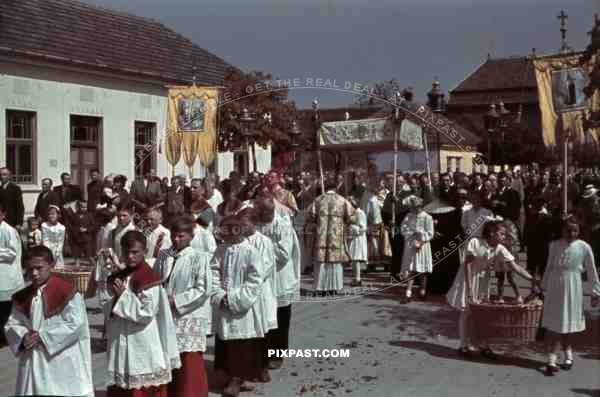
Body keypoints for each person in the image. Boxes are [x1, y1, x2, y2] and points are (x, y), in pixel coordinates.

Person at [4, 245, 93, 397]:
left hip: (60, 360)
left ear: (51, 266)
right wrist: (23, 336)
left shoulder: (68, 291)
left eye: (39, 268)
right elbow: (12, 323)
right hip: (32, 358)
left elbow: (76, 324)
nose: (34, 273)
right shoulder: (22, 296)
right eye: (30, 269)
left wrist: (43, 337)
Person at [105, 230, 180, 397]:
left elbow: (147, 312)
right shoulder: (124, 274)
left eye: (135, 252)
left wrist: (122, 296)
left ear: (145, 252)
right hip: (123, 334)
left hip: (142, 337)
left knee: (141, 382)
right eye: (126, 252)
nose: (130, 256)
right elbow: (111, 305)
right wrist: (115, 298)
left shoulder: (148, 277)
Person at [446, 221, 535, 358]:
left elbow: (515, 267)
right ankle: (463, 346)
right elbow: (468, 266)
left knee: (482, 314)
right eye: (502, 233)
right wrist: (469, 290)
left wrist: (533, 279)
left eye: (505, 234)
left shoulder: (500, 248)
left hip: (482, 281)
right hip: (467, 278)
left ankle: (483, 346)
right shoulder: (475, 242)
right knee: (466, 312)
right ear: (492, 233)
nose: (504, 236)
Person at [154, 217, 212, 397]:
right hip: (165, 313)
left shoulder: (199, 257)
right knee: (168, 355)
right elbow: (155, 280)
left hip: (188, 315)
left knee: (188, 358)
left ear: (191, 236)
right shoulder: (164, 255)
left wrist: (176, 301)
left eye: (181, 236)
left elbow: (203, 289)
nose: (176, 240)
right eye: (173, 236)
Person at [210, 215, 266, 396]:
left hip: (243, 306)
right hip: (223, 301)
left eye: (225, 234)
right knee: (225, 339)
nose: (222, 238)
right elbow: (213, 272)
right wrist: (219, 295)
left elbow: (255, 279)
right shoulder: (220, 250)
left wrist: (234, 298)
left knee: (241, 343)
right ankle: (225, 372)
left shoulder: (251, 252)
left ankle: (237, 378)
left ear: (236, 232)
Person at [541, 217, 600, 375]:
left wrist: (596, 292)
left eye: (574, 230)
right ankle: (551, 359)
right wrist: (542, 286)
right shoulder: (553, 246)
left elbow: (592, 270)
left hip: (573, 286)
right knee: (555, 323)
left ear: (579, 231)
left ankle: (568, 354)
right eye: (568, 229)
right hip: (555, 286)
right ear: (562, 229)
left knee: (569, 322)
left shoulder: (584, 247)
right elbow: (548, 267)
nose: (571, 233)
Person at [254, 196, 296, 371]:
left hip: (280, 277)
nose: (260, 215)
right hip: (263, 278)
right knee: (264, 315)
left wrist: (263, 245)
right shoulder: (258, 224)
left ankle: (278, 354)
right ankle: (263, 352)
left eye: (262, 212)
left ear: (270, 211)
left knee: (280, 317)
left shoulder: (283, 225)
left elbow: (284, 254)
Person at [308, 179, 356, 294]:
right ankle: (334, 288)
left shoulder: (318, 200)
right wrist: (344, 221)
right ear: (335, 189)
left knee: (322, 262)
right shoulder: (342, 200)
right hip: (336, 237)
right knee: (334, 263)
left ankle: (321, 288)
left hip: (322, 237)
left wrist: (317, 222)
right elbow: (353, 217)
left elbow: (310, 215)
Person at [400, 195, 434, 300]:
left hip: (423, 245)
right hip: (411, 244)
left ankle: (422, 290)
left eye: (415, 207)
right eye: (412, 207)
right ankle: (408, 293)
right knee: (411, 268)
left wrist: (421, 236)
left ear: (420, 206)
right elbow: (403, 229)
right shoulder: (409, 216)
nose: (412, 209)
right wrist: (411, 233)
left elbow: (430, 233)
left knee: (422, 270)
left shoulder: (427, 217)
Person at [0, 202, 24, 347]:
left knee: (5, 308)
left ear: (3, 214)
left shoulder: (8, 230)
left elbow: (12, 252)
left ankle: (5, 338)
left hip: (7, 274)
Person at [347, 196, 368, 287]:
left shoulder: (360, 213)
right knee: (353, 258)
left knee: (356, 258)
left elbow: (363, 228)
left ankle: (358, 278)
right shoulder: (352, 213)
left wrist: (353, 228)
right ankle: (356, 277)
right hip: (353, 237)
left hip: (358, 238)